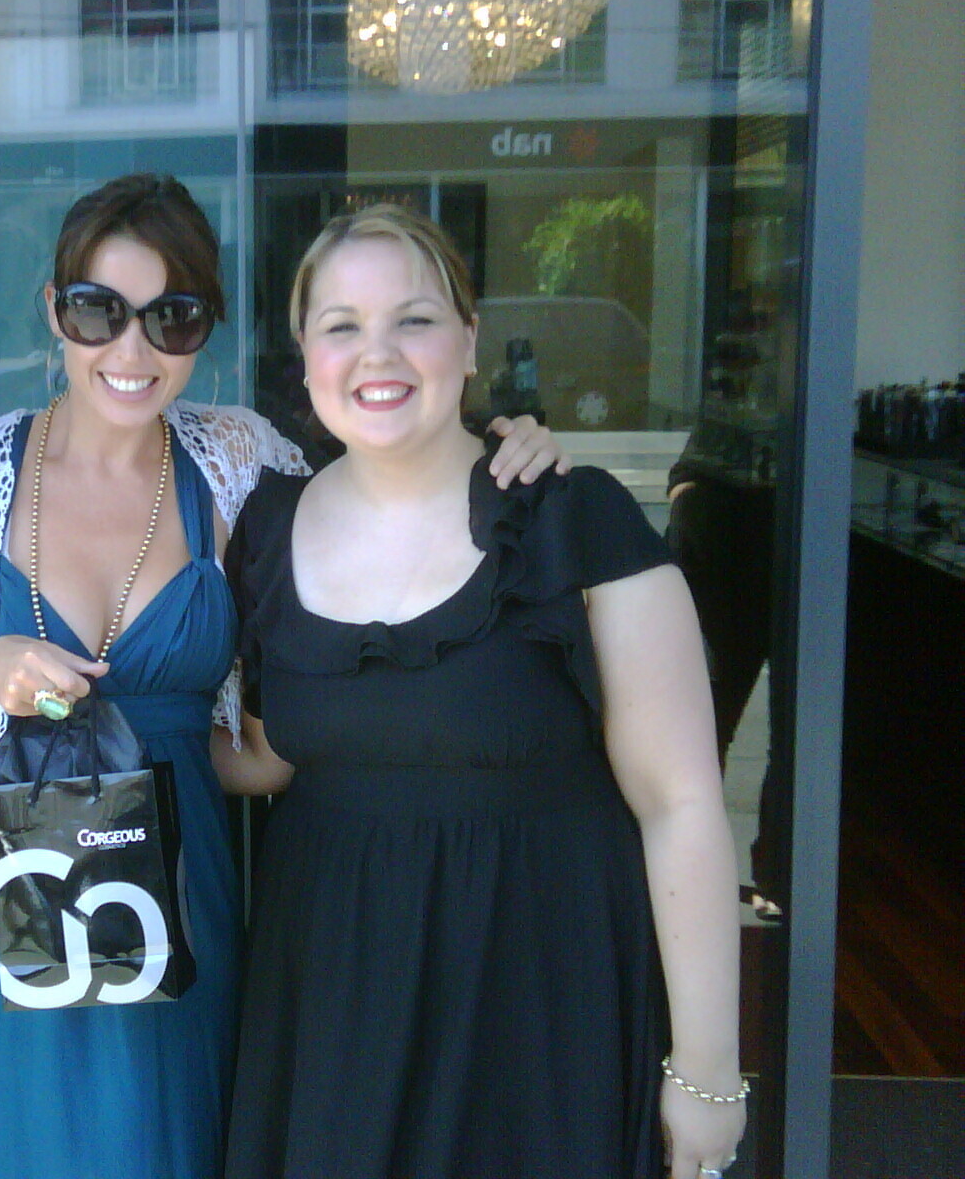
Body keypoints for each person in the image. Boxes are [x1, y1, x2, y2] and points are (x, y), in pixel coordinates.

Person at [0, 173, 566, 1178]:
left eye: (172, 317)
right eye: (99, 312)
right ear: (55, 312)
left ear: (204, 329)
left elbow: (390, 500)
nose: (132, 351)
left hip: (177, 892)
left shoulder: (244, 464)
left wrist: (502, 447)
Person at [217, 204, 746, 1179]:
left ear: (468, 341)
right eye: (341, 325)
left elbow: (681, 804)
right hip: (335, 1014)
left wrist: (707, 1070)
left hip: (540, 1012)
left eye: (414, 319)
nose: (377, 353)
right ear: (306, 356)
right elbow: (270, 757)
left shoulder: (573, 522)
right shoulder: (266, 529)